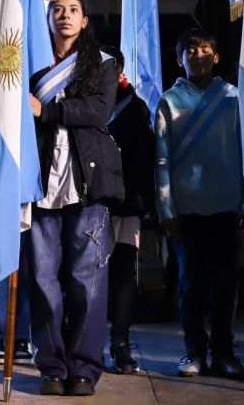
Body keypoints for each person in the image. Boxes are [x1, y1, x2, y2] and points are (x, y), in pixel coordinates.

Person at [26, 0, 124, 397]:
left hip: (87, 185)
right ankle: (51, 365)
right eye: (57, 10)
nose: (64, 16)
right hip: (39, 185)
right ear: (47, 19)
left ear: (84, 20)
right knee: (43, 278)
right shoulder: (30, 67)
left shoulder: (102, 64)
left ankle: (83, 367)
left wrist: (46, 111)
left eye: (73, 10)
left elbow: (98, 112)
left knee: (86, 280)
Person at [154, 30, 244, 380]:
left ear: (217, 56)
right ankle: (193, 351)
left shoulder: (234, 98)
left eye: (205, 48)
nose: (198, 53)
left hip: (226, 207)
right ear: (180, 60)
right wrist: (167, 211)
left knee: (226, 286)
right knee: (191, 285)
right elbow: (160, 160)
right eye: (190, 49)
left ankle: (224, 352)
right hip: (187, 210)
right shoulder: (169, 101)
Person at [99, 45, 153, 375]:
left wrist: (138, 200)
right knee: (83, 279)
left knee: (121, 276)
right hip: (85, 204)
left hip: (125, 205)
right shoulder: (78, 99)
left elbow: (145, 160)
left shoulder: (135, 107)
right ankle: (79, 343)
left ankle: (120, 344)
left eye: (110, 65)